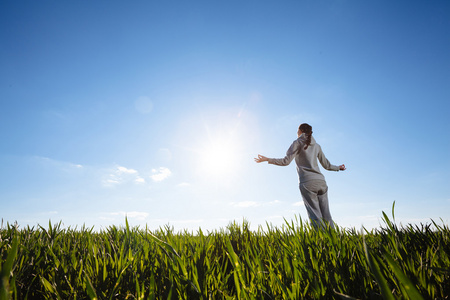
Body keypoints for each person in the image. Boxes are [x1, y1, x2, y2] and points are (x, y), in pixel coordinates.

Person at [254, 123, 346, 229]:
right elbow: (327, 165)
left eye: (297, 130)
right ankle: (334, 242)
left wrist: (268, 159)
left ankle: (321, 243)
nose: (297, 132)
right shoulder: (317, 146)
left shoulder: (297, 143)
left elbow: (285, 161)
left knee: (316, 217)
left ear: (301, 131)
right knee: (327, 216)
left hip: (308, 183)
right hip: (321, 182)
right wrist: (338, 168)